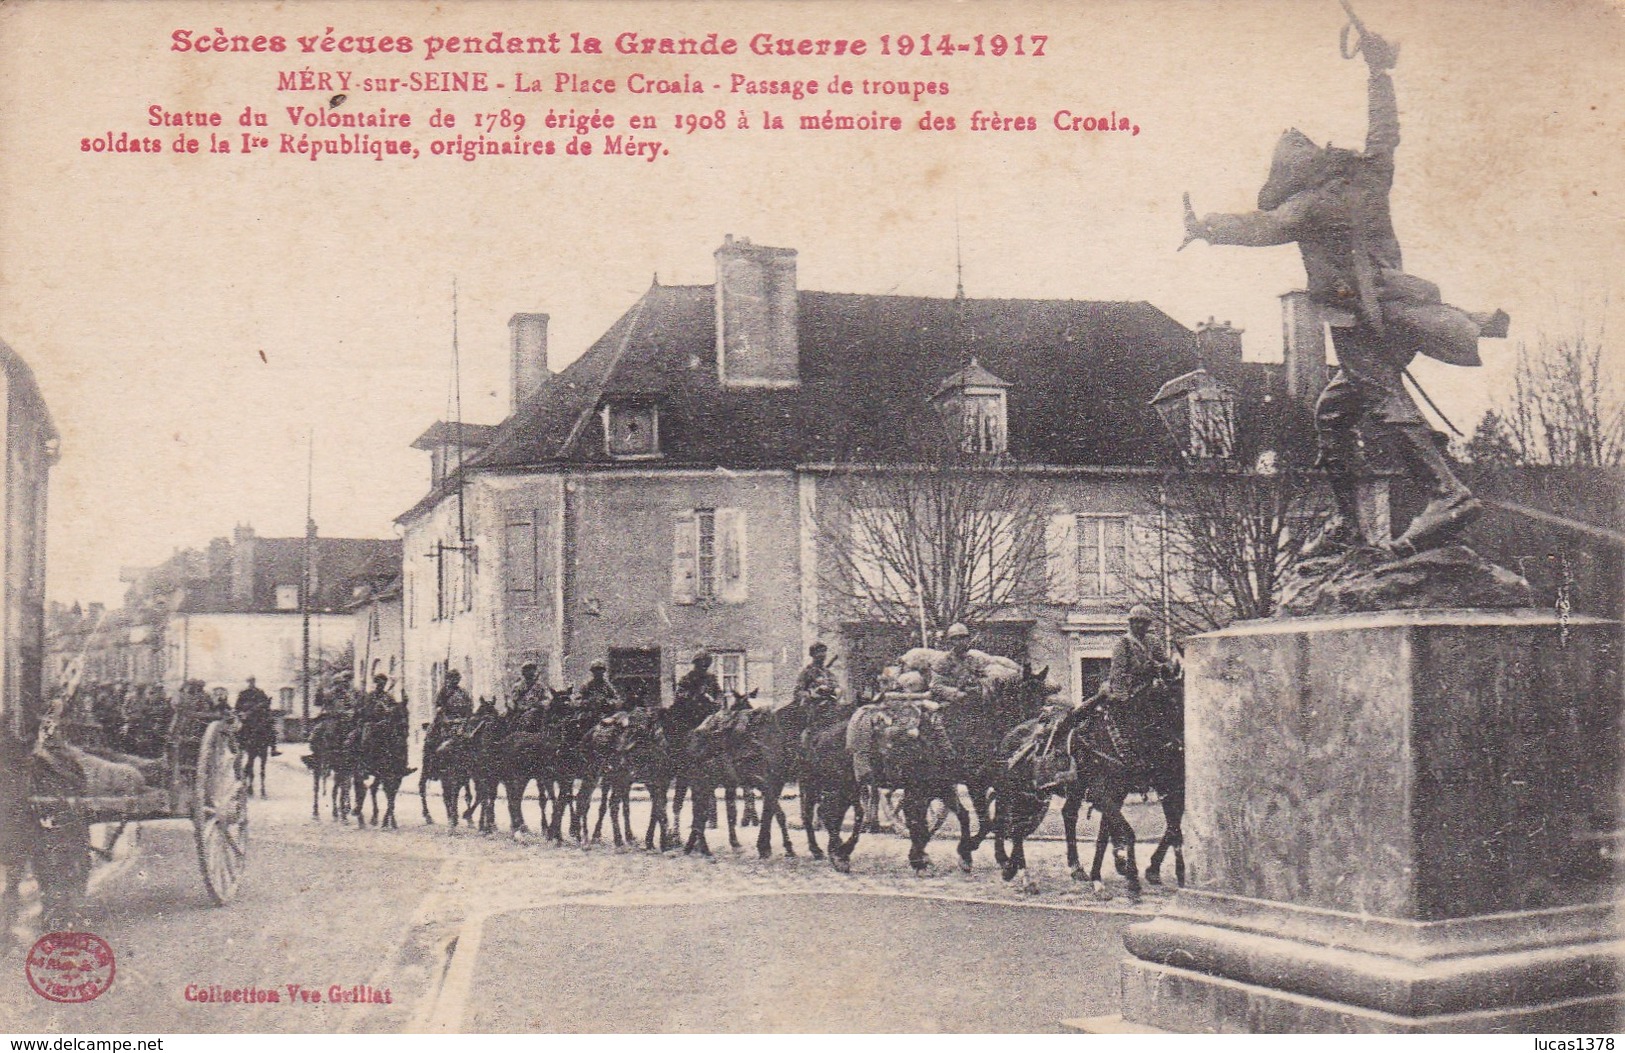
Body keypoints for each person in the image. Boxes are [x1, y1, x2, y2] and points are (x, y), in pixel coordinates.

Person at [1181, 28, 1507, 557]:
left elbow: (1263, 226)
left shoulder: (1311, 204)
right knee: (1333, 416)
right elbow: (1385, 132)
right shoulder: (1369, 179)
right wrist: (1379, 73)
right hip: (1398, 313)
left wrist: (1206, 227)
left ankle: (1447, 494)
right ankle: (1352, 526)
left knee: (1380, 399)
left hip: (1362, 319)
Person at [928, 623, 984, 706]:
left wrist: (976, 688)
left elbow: (981, 678)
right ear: (950, 642)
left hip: (970, 703)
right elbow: (935, 686)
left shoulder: (973, 660)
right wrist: (956, 693)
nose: (961, 642)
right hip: (949, 703)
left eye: (964, 638)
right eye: (956, 639)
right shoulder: (943, 660)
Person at [235, 676, 278, 755]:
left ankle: (273, 749)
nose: (251, 683)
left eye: (253, 682)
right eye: (250, 682)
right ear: (247, 683)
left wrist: (263, 707)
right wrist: (241, 713)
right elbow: (238, 706)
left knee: (271, 728)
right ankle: (239, 746)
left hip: (259, 715)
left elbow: (265, 703)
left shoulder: (260, 692)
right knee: (239, 729)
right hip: (247, 715)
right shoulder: (243, 693)